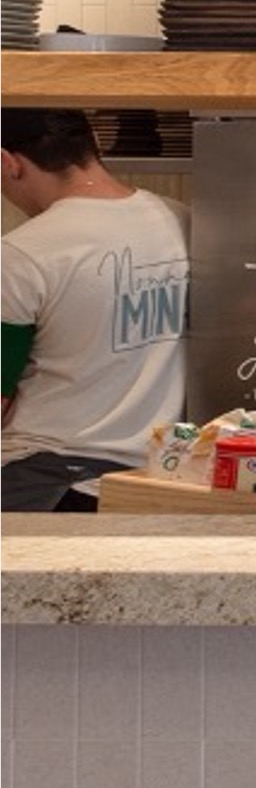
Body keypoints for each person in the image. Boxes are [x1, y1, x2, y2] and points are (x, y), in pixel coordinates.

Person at [3, 107, 190, 512]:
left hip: (45, 481)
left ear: (8, 163)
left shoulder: (22, 254)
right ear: (95, 144)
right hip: (158, 476)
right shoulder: (181, 221)